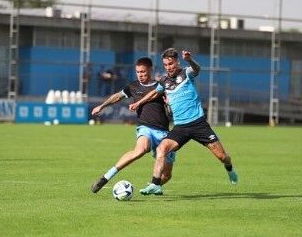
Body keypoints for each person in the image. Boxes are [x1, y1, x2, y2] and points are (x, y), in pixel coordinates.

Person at [129, 48, 238, 195]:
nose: (169, 67)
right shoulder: (164, 81)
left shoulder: (186, 73)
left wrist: (189, 59)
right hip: (180, 127)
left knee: (222, 157)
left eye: (171, 64)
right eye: (166, 65)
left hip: (198, 124)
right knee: (162, 149)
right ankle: (155, 184)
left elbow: (197, 69)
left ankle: (230, 168)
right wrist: (138, 103)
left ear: (177, 62)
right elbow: (154, 93)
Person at [90, 57, 176, 193]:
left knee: (166, 175)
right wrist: (102, 106)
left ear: (150, 70)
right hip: (145, 128)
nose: (140, 75)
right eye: (138, 72)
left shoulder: (160, 86)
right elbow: (117, 96)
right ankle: (106, 177)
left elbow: (172, 104)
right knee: (140, 150)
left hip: (164, 132)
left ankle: (153, 185)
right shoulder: (133, 86)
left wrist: (169, 103)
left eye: (143, 72)